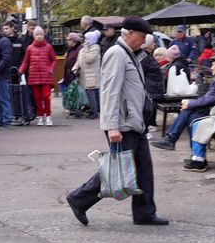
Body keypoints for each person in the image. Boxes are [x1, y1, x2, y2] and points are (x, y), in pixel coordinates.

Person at [66, 15, 169, 226]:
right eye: (141, 37)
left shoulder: (131, 53)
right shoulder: (117, 54)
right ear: (129, 33)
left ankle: (145, 214)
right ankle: (79, 198)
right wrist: (112, 126)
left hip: (134, 122)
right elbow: (110, 92)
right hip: (122, 123)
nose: (144, 41)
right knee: (117, 169)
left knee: (144, 170)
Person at [150, 54, 215, 151]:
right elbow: (210, 98)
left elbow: (209, 99)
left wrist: (189, 103)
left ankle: (173, 140)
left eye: (214, 64)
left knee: (190, 114)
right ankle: (190, 152)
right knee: (189, 114)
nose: (211, 67)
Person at [19, 26, 57, 126]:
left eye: (40, 34)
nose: (39, 36)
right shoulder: (30, 48)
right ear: (34, 36)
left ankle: (48, 116)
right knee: (37, 98)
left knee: (46, 96)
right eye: (37, 34)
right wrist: (20, 71)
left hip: (46, 76)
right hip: (34, 77)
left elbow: (54, 60)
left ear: (43, 35)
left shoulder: (48, 47)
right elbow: (26, 62)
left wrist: (51, 69)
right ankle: (40, 116)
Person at [72, 30, 101, 119]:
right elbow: (79, 59)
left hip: (92, 75)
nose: (84, 40)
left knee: (91, 93)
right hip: (84, 75)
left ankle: (94, 112)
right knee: (91, 92)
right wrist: (75, 68)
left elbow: (89, 59)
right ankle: (96, 109)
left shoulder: (95, 48)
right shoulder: (84, 49)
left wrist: (85, 49)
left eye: (87, 39)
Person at [139, 35, 165, 129]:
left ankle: (150, 124)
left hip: (153, 88)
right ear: (148, 44)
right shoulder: (145, 57)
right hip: (150, 88)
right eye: (153, 42)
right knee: (148, 109)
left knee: (150, 108)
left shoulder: (147, 55)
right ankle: (148, 126)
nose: (154, 44)